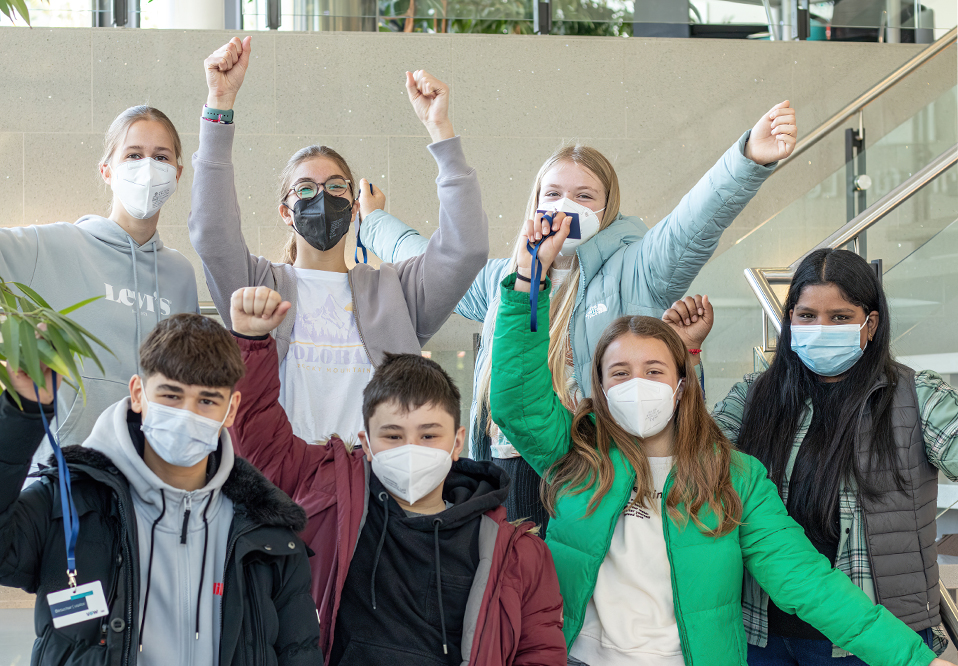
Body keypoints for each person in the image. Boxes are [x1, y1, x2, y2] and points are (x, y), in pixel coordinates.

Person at [485, 223, 958, 666]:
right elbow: (516, 400)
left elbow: (808, 583)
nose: (638, 385)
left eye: (654, 371)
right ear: (601, 387)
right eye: (620, 373)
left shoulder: (733, 477)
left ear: (681, 384)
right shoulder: (577, 457)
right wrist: (528, 285)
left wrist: (915, 659)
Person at [358, 102, 797, 533]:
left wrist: (746, 160)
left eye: (584, 195)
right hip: (505, 469)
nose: (565, 205)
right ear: (535, 202)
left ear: (607, 209)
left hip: (592, 472)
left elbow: (693, 221)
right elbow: (427, 258)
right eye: (553, 194)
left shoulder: (637, 268)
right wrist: (373, 220)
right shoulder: (505, 280)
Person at [0, 314, 320, 666]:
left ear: (231, 409)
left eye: (207, 401)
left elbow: (298, 654)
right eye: (171, 395)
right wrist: (21, 410)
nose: (187, 413)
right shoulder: (74, 502)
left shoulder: (268, 536)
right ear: (138, 393)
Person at [226, 285, 566, 666]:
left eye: (428, 435)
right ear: (366, 444)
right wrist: (252, 341)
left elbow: (541, 652)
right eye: (392, 436)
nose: (411, 448)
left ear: (457, 443)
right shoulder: (329, 492)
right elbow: (261, 442)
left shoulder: (517, 553)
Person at [188, 37, 489, 446]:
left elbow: (465, 248)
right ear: (285, 212)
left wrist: (440, 130)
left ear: (352, 206)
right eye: (306, 190)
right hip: (282, 484)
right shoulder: (258, 286)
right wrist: (219, 105)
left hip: (376, 487)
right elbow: (212, 232)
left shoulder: (395, 291)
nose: (322, 197)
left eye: (335, 187)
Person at [663, 248, 958, 663]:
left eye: (839, 317)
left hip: (874, 634)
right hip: (761, 632)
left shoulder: (915, 396)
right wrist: (684, 357)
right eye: (806, 316)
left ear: (870, 324)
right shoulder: (754, 396)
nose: (821, 328)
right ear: (789, 321)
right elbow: (687, 458)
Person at [0, 57, 200, 448]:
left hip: (149, 484)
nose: (148, 167)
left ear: (178, 174)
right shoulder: (52, 248)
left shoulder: (180, 274)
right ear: (107, 171)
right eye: (133, 155)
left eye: (161, 157)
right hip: (66, 483)